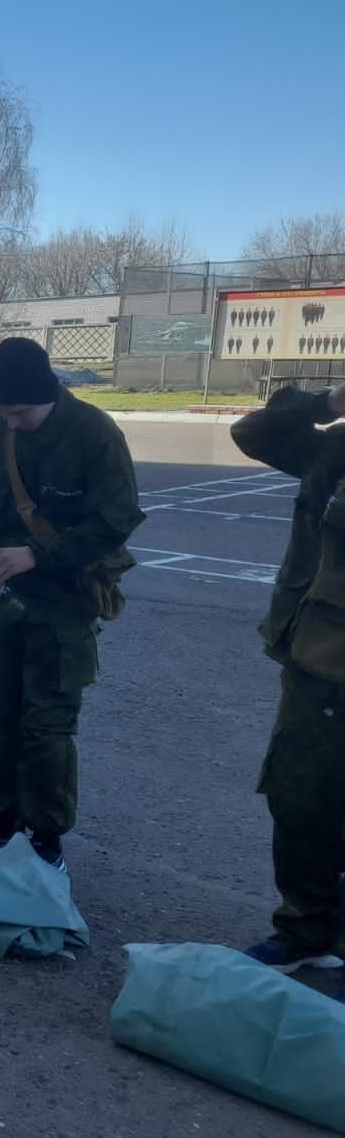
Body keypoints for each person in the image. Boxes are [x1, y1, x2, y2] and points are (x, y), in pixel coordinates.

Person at [0, 337, 144, 872]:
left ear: (47, 395)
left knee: (47, 727)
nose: (10, 423)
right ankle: (3, 819)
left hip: (61, 604)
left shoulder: (94, 434)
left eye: (20, 413)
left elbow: (115, 523)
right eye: (0, 412)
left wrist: (37, 554)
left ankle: (46, 838)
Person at [229, 383, 345, 976]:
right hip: (314, 654)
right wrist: (328, 403)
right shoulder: (335, 448)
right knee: (298, 793)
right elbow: (254, 433)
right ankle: (306, 928)